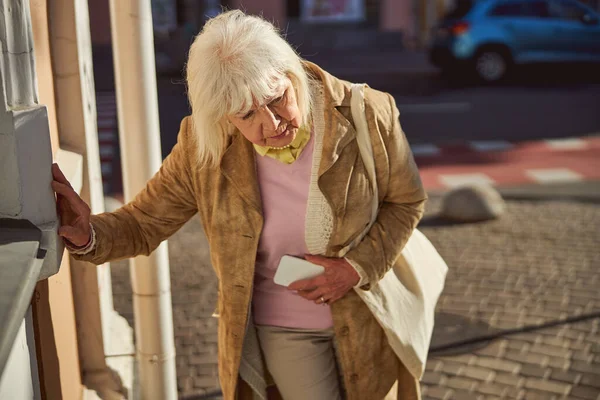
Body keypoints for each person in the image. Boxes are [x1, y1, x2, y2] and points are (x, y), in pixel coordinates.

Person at [52, 10, 427, 400]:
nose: (272, 123)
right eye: (247, 114)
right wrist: (90, 233)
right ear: (222, 115)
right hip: (282, 325)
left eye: (277, 98)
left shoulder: (368, 112)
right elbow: (143, 223)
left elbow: (407, 202)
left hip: (368, 320)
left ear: (291, 72)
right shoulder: (203, 145)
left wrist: (355, 268)